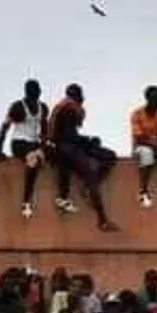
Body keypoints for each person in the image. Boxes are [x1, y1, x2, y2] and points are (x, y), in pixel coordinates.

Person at [47, 84, 117, 232]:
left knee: (109, 156)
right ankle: (102, 220)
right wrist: (88, 140)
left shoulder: (64, 107)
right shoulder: (69, 109)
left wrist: (87, 141)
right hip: (66, 148)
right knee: (91, 174)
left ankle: (78, 191)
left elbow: (69, 134)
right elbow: (67, 136)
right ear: (78, 97)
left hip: (66, 147)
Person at [0, 80, 52, 218]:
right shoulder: (18, 107)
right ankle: (26, 201)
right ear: (27, 92)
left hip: (34, 143)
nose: (36, 93)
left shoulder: (43, 107)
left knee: (54, 151)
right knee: (33, 161)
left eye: (38, 90)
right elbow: (4, 128)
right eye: (33, 91)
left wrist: (43, 147)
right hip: (19, 143)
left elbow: (44, 131)